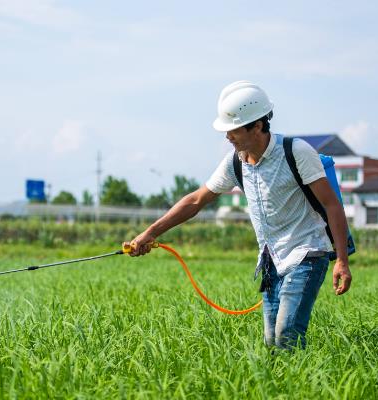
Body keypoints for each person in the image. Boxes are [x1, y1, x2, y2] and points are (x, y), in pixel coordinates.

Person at [126, 81, 352, 349]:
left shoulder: (296, 152)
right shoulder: (235, 162)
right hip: (271, 261)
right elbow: (196, 200)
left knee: (286, 338)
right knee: (271, 343)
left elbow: (332, 205)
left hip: (307, 253)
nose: (227, 136)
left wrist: (341, 260)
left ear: (257, 126)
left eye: (232, 129)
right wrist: (150, 233)